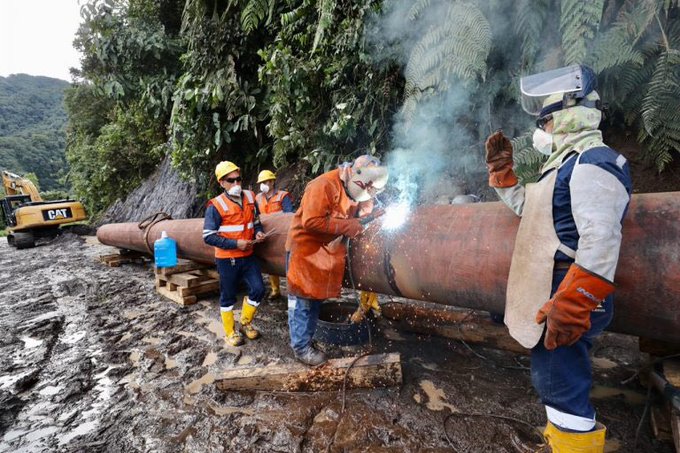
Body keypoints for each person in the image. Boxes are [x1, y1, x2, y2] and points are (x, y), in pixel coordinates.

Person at [485, 65, 632, 452]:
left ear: (568, 115)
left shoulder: (592, 163)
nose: (542, 130)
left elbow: (601, 240)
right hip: (557, 288)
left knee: (560, 383)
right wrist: (503, 174)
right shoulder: (566, 164)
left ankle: (573, 444)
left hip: (568, 290)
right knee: (556, 377)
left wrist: (572, 303)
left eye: (545, 121)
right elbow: (534, 212)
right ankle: (561, 439)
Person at [286, 155, 388, 366]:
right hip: (305, 250)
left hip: (328, 249)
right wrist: (347, 225)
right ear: (352, 173)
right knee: (302, 301)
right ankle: (301, 348)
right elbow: (311, 221)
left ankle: (308, 340)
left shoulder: (362, 187)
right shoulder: (323, 185)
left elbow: (362, 205)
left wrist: (366, 212)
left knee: (315, 299)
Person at [203, 161, 267, 347]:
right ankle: (230, 332)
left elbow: (255, 221)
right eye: (231, 181)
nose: (236, 184)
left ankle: (245, 323)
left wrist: (258, 232)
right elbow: (208, 236)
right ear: (221, 183)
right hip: (227, 259)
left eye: (239, 179)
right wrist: (235, 243)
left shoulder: (249, 196)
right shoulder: (215, 206)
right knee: (228, 296)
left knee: (258, 289)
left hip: (248, 256)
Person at [255, 169, 294, 300]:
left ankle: (293, 292)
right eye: (261, 182)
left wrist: (274, 217)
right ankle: (275, 289)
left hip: (281, 233)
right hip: (265, 233)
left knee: (287, 261)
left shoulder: (283, 196)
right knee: (270, 260)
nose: (263, 185)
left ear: (272, 182)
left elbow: (289, 215)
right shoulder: (258, 198)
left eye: (265, 182)